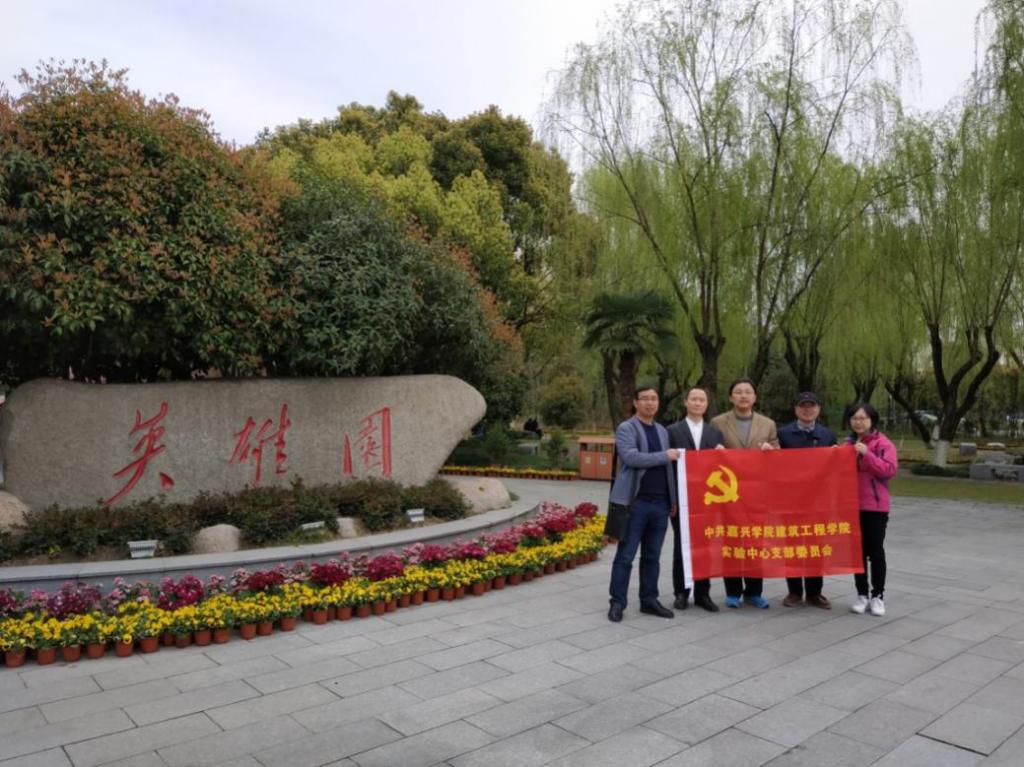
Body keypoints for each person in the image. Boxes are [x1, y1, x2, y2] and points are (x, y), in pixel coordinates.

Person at [607, 387, 680, 622]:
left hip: (660, 505)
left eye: (654, 399)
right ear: (636, 403)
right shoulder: (626, 428)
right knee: (625, 555)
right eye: (645, 399)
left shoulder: (662, 431)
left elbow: (668, 469)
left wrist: (672, 499)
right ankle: (617, 602)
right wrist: (664, 455)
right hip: (635, 503)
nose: (650, 403)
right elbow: (631, 457)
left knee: (652, 556)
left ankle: (649, 600)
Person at [711, 377, 779, 609]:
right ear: (731, 397)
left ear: (754, 397)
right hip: (729, 492)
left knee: (755, 541)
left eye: (748, 392)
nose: (743, 396)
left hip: (757, 493)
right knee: (730, 540)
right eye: (738, 392)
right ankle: (732, 592)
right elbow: (709, 454)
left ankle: (754, 592)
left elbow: (778, 451)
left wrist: (772, 450)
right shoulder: (718, 422)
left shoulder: (767, 424)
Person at [777, 391, 838, 609]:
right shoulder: (783, 434)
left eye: (812, 406)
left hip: (818, 501)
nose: (807, 410)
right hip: (790, 500)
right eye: (803, 406)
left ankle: (814, 592)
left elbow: (834, 468)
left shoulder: (827, 435)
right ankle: (794, 592)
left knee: (816, 546)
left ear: (818, 410)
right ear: (796, 410)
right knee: (792, 545)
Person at [667, 386, 724, 612]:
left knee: (706, 545)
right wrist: (671, 498)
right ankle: (681, 592)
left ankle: (703, 593)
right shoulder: (672, 431)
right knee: (681, 545)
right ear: (686, 402)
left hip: (707, 499)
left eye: (702, 399)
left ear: (707, 404)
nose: (698, 403)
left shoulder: (714, 433)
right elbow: (668, 468)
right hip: (681, 499)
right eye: (694, 399)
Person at [845, 402, 898, 617]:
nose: (858, 422)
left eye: (863, 418)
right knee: (857, 553)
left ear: (872, 420)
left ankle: (878, 596)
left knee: (875, 552)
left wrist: (867, 453)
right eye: (855, 418)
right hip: (851, 506)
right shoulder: (848, 444)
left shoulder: (883, 443)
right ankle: (862, 595)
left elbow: (888, 470)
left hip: (875, 507)